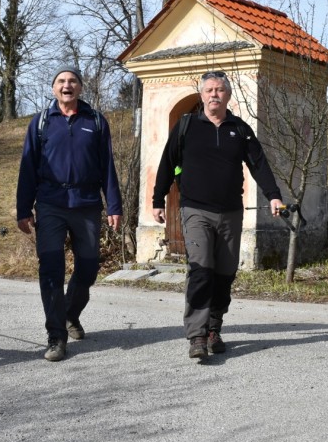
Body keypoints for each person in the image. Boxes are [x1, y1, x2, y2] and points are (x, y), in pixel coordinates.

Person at [152, 71, 284, 359]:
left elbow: (258, 164)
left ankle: (214, 327)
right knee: (200, 270)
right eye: (209, 89)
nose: (214, 94)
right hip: (195, 209)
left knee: (225, 273)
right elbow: (167, 162)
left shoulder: (240, 128)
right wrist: (157, 199)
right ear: (201, 95)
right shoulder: (187, 126)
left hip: (231, 212)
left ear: (228, 95)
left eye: (220, 90)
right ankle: (197, 336)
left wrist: (274, 194)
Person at [16, 65, 122, 362]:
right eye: (61, 81)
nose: (67, 86)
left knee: (88, 269)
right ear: (53, 89)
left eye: (72, 81)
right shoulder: (41, 123)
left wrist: (114, 205)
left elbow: (108, 167)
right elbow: (27, 168)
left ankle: (69, 313)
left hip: (87, 204)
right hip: (50, 203)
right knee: (51, 270)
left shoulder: (96, 121)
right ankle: (56, 337)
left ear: (80, 88)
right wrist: (23, 209)